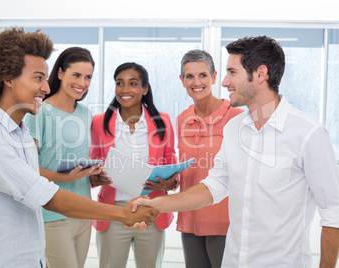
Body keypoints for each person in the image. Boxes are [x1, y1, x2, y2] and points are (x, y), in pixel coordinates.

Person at [132, 36, 339, 267]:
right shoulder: (233, 129)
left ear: (260, 74)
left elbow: (333, 211)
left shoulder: (308, 133)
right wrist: (155, 205)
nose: (224, 82)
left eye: (232, 72)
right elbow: (214, 186)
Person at [0, 27, 158, 268]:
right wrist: (124, 214)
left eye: (45, 78)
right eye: (37, 78)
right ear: (9, 78)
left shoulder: (20, 132)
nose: (45, 87)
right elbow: (45, 195)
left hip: (33, 255)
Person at [89, 62, 178, 268]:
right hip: (112, 211)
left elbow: (171, 166)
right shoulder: (99, 122)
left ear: (144, 89)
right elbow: (93, 168)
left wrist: (169, 184)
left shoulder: (162, 121)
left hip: (152, 210)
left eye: (133, 83)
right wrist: (94, 177)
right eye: (119, 83)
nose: (125, 89)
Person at [24, 47, 100, 268]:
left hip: (84, 210)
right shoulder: (40, 112)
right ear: (59, 74)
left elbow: (80, 159)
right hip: (53, 214)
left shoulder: (85, 113)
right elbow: (27, 168)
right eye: (76, 75)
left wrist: (92, 174)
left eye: (88, 77)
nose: (82, 83)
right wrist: (64, 178)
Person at [176, 49, 243, 268]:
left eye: (203, 75)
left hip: (224, 221)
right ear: (182, 80)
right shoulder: (181, 119)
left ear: (214, 77)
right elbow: (188, 168)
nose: (196, 82)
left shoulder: (236, 117)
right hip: (189, 218)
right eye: (190, 76)